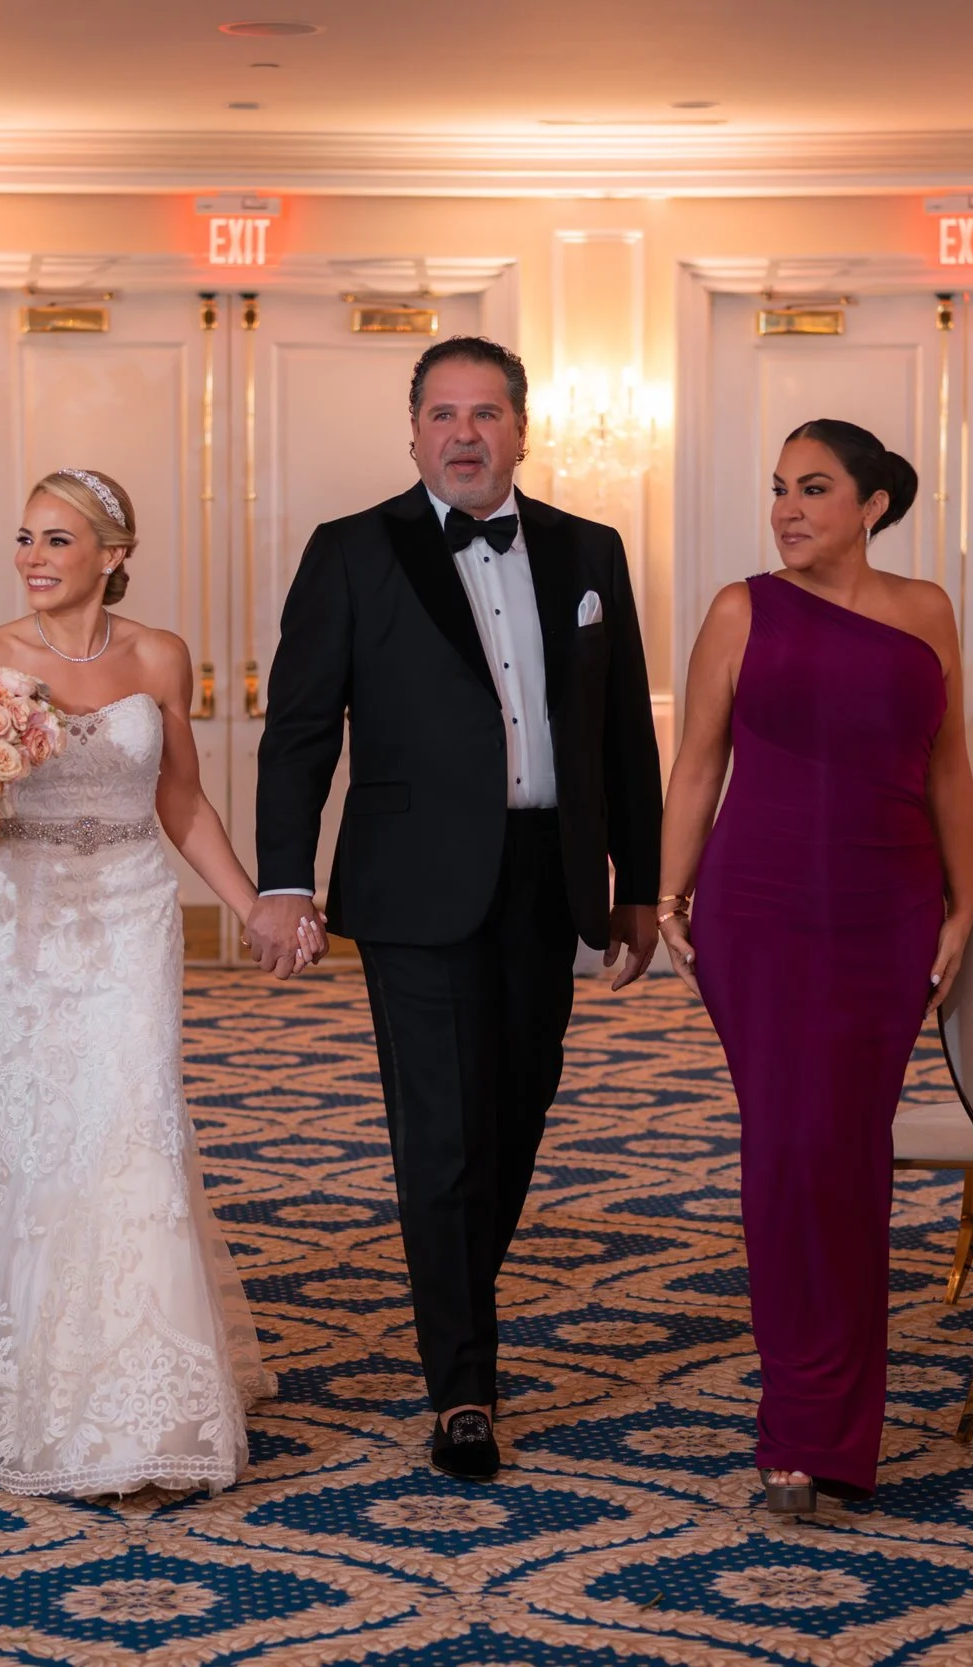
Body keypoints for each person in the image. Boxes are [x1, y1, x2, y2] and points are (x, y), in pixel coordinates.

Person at [247, 337, 664, 1481]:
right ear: (414, 430)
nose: (464, 434)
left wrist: (639, 884)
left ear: (522, 430)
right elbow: (296, 732)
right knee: (439, 1135)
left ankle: (460, 1311)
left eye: (485, 413)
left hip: (552, 874)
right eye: (442, 414)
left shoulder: (589, 549)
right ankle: (463, 1383)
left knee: (515, 1119)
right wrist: (284, 876)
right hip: (413, 885)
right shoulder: (350, 551)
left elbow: (621, 724)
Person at [0, 467, 274, 1497]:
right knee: (37, 1136)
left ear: (113, 554)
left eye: (57, 540)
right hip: (28, 922)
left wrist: (252, 903)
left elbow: (182, 804)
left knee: (130, 1127)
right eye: (24, 538)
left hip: (132, 911)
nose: (32, 558)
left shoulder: (161, 656)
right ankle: (24, 1367)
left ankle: (141, 1393)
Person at [655, 419, 973, 1513]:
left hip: (887, 912)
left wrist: (962, 898)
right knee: (789, 1157)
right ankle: (799, 1421)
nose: (788, 508)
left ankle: (842, 1430)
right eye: (779, 488)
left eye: (815, 488)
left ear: (873, 503)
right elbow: (697, 762)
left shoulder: (926, 609)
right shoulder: (740, 608)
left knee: (850, 1161)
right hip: (763, 913)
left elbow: (949, 762)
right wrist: (667, 893)